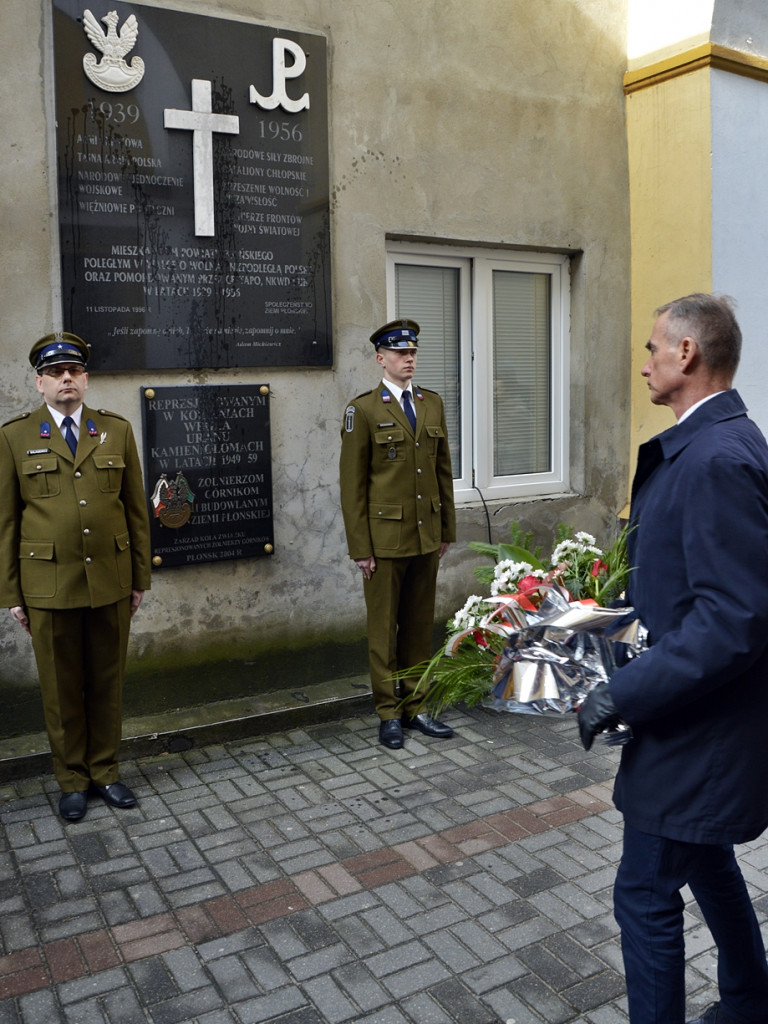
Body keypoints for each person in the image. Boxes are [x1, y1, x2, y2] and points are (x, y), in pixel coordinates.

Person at [578, 294, 768, 1024]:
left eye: (654, 348)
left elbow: (732, 620)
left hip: (702, 733)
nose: (645, 363)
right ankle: (751, 997)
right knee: (708, 860)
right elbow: (690, 588)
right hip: (699, 720)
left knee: (645, 892)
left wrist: (625, 693)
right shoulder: (712, 443)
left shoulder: (715, 456)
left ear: (687, 354)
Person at [0, 332, 151, 822]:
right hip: (48, 585)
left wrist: (140, 579)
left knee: (107, 681)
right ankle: (71, 780)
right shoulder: (15, 437)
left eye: (76, 372)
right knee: (61, 688)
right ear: (40, 382)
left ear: (86, 379)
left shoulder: (116, 430)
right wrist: (11, 594)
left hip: (110, 578)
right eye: (57, 372)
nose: (68, 379)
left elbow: (135, 512)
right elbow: (6, 522)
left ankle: (105, 772)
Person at [339, 318, 457, 749]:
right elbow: (352, 487)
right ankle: (388, 712)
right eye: (400, 353)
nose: (409, 359)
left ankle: (418, 707)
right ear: (381, 359)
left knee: (419, 627)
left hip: (426, 537)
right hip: (384, 542)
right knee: (383, 630)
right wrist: (360, 549)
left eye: (413, 353)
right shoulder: (364, 410)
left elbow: (443, 471)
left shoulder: (432, 404)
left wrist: (446, 529)